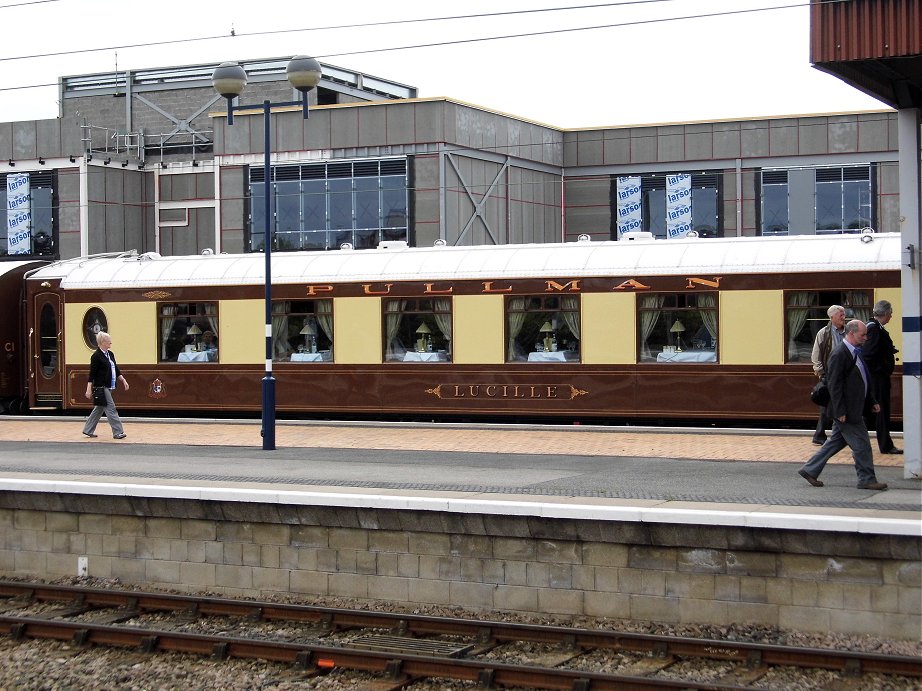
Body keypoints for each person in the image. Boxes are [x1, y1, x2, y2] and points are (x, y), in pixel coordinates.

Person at [799, 320, 887, 490]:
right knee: (862, 445)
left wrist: (872, 401)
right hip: (847, 410)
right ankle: (866, 479)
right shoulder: (839, 354)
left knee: (836, 442)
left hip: (853, 407)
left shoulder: (855, 352)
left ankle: (809, 469)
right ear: (852, 333)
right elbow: (834, 385)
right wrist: (840, 411)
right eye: (863, 334)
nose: (866, 338)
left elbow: (862, 379)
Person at [863, 300, 901, 454]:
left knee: (873, 412)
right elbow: (868, 354)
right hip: (878, 379)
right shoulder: (874, 329)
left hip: (878, 378)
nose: (891, 316)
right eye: (890, 313)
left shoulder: (875, 328)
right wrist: (882, 368)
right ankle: (886, 445)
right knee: (882, 411)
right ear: (885, 313)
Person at [810, 304, 846, 445]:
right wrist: (821, 373)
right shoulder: (823, 333)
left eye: (843, 314)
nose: (844, 317)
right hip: (830, 374)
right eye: (841, 315)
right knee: (827, 406)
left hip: (845, 373)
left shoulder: (848, 331)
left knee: (839, 404)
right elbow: (816, 355)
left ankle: (823, 435)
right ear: (832, 317)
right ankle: (820, 435)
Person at [83, 331, 129, 440]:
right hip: (101, 387)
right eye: (109, 341)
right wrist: (88, 389)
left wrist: (123, 380)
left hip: (110, 385)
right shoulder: (96, 356)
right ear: (103, 342)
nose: (111, 342)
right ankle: (118, 432)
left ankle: (88, 430)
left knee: (99, 408)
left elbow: (115, 369)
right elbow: (92, 374)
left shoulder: (110, 354)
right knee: (111, 408)